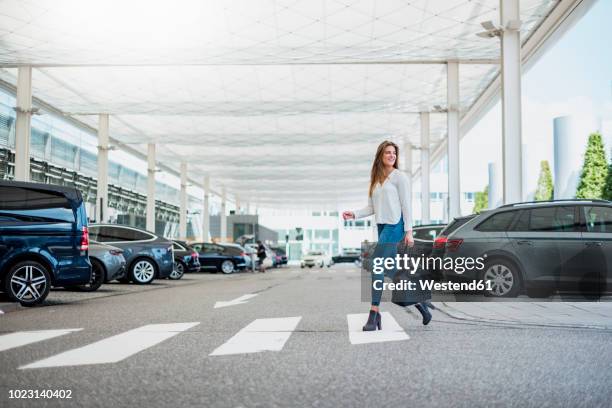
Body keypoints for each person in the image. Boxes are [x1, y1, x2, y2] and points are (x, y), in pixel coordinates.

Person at [343, 140, 432, 331]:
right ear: (380, 157)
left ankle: (374, 314)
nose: (392, 155)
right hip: (382, 227)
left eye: (394, 153)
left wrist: (409, 231)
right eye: (387, 153)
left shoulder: (400, 177)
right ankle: (421, 305)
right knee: (390, 272)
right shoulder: (375, 179)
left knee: (377, 264)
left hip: (395, 225)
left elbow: (407, 205)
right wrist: (355, 214)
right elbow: (371, 207)